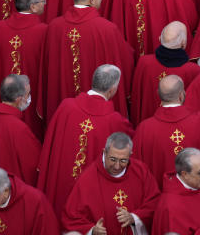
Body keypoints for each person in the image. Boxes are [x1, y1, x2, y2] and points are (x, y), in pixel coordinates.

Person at [36, 64, 134, 214]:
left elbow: (49, 147)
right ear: (112, 90)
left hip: (59, 187)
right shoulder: (116, 122)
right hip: (90, 196)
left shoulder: (65, 107)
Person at [39, 0, 134, 121]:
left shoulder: (54, 27)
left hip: (63, 109)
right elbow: (126, 60)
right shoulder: (107, 29)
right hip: (99, 113)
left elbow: (47, 69)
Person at [62, 132, 161, 234]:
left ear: (130, 155)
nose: (117, 166)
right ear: (104, 152)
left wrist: (134, 217)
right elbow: (72, 218)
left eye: (123, 160)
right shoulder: (87, 179)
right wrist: (92, 230)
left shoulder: (141, 172)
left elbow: (154, 203)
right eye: (113, 159)